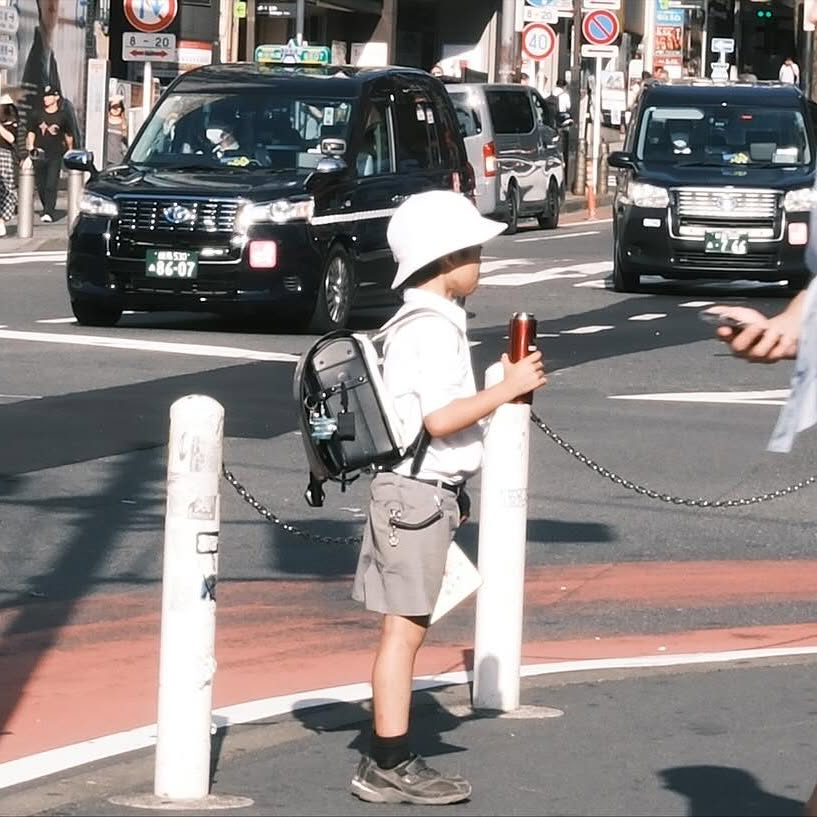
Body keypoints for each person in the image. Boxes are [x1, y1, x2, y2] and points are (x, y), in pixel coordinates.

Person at [349, 190, 547, 806]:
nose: (480, 261)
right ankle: (389, 762)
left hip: (414, 495)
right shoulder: (431, 329)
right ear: (445, 259)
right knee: (403, 633)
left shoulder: (417, 322)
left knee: (404, 629)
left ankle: (387, 757)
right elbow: (439, 419)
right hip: (417, 497)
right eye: (473, 251)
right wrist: (509, 386)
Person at [25, 84, 73, 223]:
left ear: (56, 97)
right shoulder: (37, 114)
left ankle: (48, 211)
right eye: (45, 96)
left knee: (51, 184)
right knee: (41, 184)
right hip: (39, 153)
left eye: (49, 96)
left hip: (55, 154)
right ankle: (46, 205)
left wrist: (70, 150)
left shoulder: (63, 116)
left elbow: (68, 134)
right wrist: (31, 148)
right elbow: (31, 132)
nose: (46, 98)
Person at [0, 93, 19, 237]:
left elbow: (11, 138)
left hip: (5, 156)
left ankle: (2, 220)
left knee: (6, 188)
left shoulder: (13, 124)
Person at [105, 96, 128, 166]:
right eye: (113, 107)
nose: (116, 109)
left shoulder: (125, 124)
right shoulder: (104, 122)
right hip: (106, 159)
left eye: (118, 107)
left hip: (119, 160)